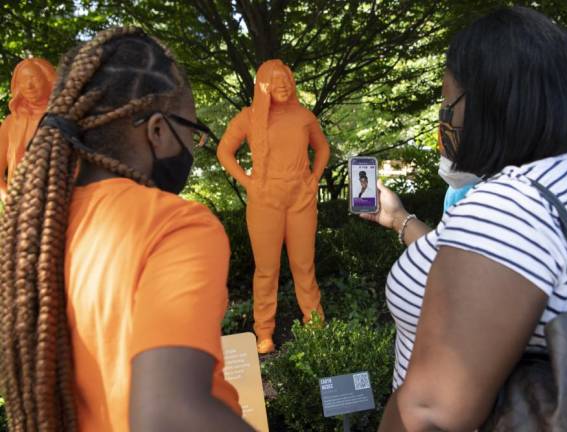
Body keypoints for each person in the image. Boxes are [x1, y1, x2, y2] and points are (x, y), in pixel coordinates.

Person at [362, 7, 567, 431]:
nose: (444, 121)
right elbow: (475, 259)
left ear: (492, 102)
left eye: (448, 105)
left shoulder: (508, 207)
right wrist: (400, 220)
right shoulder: (562, 175)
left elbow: (430, 414)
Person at [0, 27, 253, 431]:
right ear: (157, 131)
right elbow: (170, 416)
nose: (193, 144)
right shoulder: (175, 224)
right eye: (192, 132)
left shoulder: (32, 237)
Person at [217, 59, 330, 354]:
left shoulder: (304, 117)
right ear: (262, 85)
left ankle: (314, 321)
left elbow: (323, 148)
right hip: (265, 199)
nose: (282, 85)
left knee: (304, 265)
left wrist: (314, 179)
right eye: (274, 80)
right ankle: (263, 332)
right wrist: (248, 182)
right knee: (267, 269)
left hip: (300, 198)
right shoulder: (249, 117)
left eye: (286, 79)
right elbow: (224, 151)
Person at [0, 58, 56, 200]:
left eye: (34, 78)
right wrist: (9, 199)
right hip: (20, 211)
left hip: (60, 205)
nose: (29, 86)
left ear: (48, 79)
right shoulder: (10, 123)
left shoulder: (65, 119)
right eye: (23, 81)